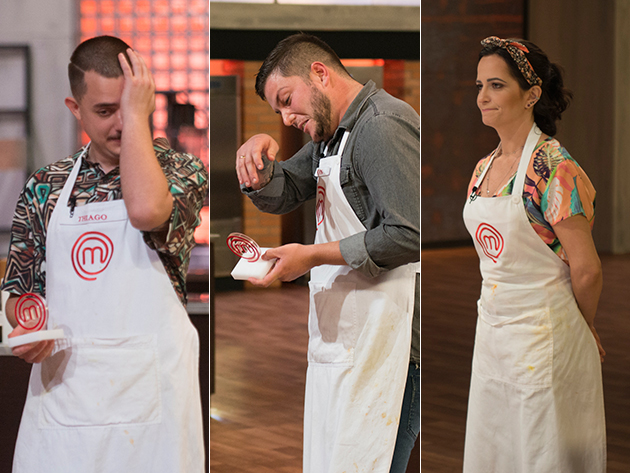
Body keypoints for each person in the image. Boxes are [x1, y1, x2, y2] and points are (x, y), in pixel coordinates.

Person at [0, 36, 207, 472]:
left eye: (128, 106)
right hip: (64, 402)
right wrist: (25, 325)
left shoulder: (181, 171)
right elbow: (21, 290)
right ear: (75, 109)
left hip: (153, 407)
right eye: (104, 111)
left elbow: (146, 211)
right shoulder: (46, 186)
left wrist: (135, 119)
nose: (119, 124)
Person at [235, 33, 419, 473]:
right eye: (276, 111)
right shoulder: (331, 134)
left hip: (393, 342)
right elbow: (288, 189)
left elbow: (408, 234)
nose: (286, 116)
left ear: (320, 74)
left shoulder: (380, 125)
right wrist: (257, 168)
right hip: (350, 333)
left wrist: (313, 255)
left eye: (286, 99)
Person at [462, 36, 606, 472]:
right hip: (493, 333)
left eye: (496, 86)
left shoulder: (554, 168)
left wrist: (585, 328)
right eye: (479, 86)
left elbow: (587, 268)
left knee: (545, 454)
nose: (483, 97)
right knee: (497, 450)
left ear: (532, 95)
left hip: (547, 336)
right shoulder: (484, 167)